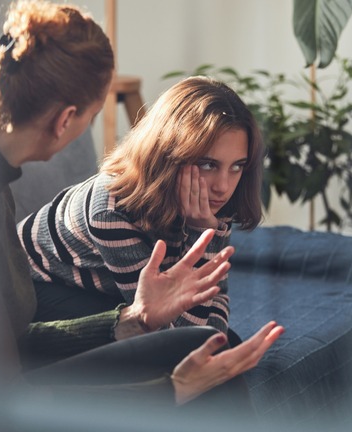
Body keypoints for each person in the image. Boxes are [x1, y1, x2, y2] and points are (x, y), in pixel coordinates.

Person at [0, 0, 282, 426]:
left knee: (195, 346)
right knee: (201, 378)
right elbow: (2, 400)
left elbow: (16, 343)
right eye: (94, 114)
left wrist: (133, 318)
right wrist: (171, 390)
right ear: (66, 120)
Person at [18, 76, 264, 340]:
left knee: (225, 343)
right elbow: (169, 332)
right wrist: (200, 233)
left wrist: (213, 341)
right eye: (208, 165)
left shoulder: (213, 200)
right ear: (169, 154)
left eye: (237, 166)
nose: (223, 186)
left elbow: (213, 299)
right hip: (36, 288)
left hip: (112, 290)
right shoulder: (111, 210)